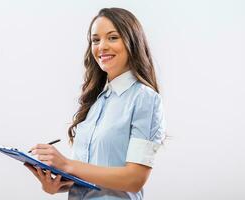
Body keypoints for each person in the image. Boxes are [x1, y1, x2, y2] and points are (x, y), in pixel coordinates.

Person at [25, 7, 166, 200]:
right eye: (95, 40)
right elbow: (90, 174)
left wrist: (67, 164)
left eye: (113, 37)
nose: (102, 46)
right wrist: (56, 184)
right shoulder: (95, 100)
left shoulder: (144, 98)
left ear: (132, 41)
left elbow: (135, 179)